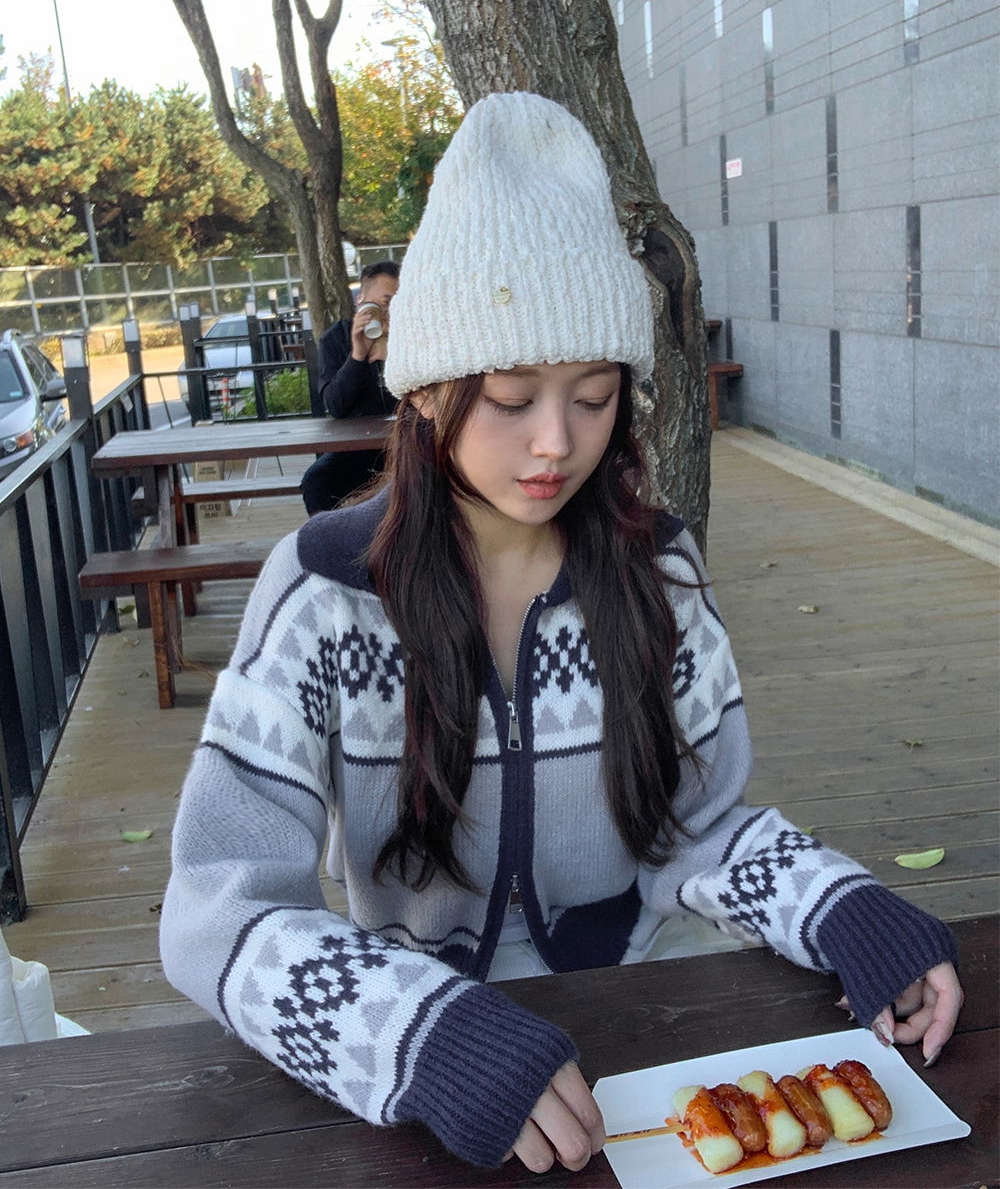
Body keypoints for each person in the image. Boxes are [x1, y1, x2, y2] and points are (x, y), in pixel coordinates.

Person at [160, 93, 962, 1175]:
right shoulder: (327, 595)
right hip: (420, 1056)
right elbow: (216, 904)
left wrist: (843, 909)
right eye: (509, 396)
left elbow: (697, 828)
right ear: (426, 392)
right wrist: (416, 1033)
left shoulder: (657, 570)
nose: (556, 443)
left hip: (655, 1010)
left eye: (593, 396)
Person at [299, 261, 399, 515]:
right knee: (317, 481)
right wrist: (357, 355)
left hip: (409, 445)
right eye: (386, 303)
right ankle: (330, 539)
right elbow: (336, 406)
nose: (392, 311)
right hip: (357, 451)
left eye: (401, 302)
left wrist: (396, 355)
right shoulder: (336, 338)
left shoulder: (416, 336)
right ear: (361, 301)